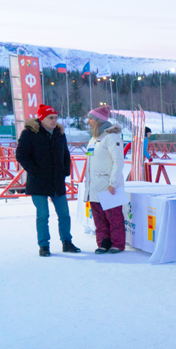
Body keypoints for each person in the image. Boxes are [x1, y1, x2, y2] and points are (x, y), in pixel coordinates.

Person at [16, 104, 80, 256]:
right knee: (43, 214)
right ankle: (44, 245)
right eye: (50, 118)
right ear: (42, 118)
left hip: (57, 181)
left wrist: (65, 170)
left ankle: (67, 241)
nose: (54, 120)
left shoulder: (59, 133)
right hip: (38, 181)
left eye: (56, 117)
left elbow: (65, 153)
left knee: (64, 213)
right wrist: (34, 170)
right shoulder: (30, 133)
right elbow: (21, 154)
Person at [81, 105, 126, 255]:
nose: (88, 121)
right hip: (94, 186)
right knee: (99, 219)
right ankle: (103, 243)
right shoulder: (93, 139)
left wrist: (113, 182)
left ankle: (117, 243)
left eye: (90, 119)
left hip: (108, 186)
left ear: (98, 121)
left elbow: (118, 161)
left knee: (114, 218)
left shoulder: (112, 138)